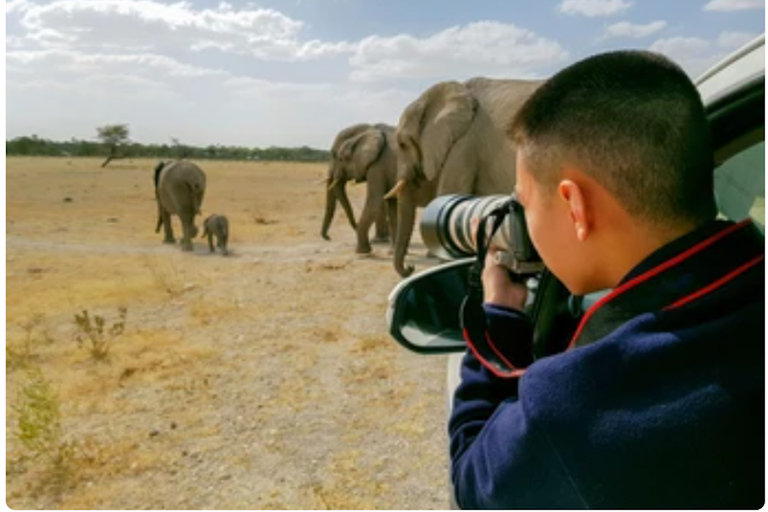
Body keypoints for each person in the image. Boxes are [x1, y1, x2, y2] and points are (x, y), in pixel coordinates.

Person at [448, 50, 764, 509]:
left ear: (574, 206)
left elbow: (473, 481)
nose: (524, 221)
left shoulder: (577, 409)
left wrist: (497, 315)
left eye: (524, 203)